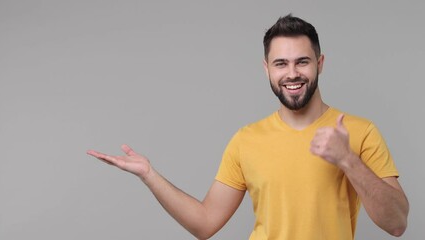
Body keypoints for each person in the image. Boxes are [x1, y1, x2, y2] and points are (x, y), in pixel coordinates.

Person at [87, 14, 409, 240]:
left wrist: (347, 160)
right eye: (281, 63)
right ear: (266, 68)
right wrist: (149, 175)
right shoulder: (246, 140)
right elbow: (204, 224)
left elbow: (396, 224)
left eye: (303, 61)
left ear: (320, 64)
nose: (292, 73)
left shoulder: (360, 131)